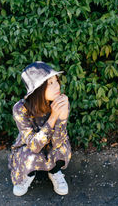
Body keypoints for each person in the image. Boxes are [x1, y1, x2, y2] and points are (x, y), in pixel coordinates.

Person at [8, 61, 72, 196]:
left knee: (61, 148)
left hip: (52, 144)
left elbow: (58, 142)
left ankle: (54, 171)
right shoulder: (20, 109)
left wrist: (63, 117)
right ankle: (27, 174)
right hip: (30, 145)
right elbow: (34, 146)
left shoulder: (60, 102)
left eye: (56, 81)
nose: (57, 86)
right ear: (37, 89)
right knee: (29, 155)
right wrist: (53, 117)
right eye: (50, 83)